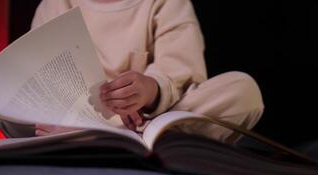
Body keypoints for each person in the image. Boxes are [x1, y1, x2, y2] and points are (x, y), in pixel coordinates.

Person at [31, 0, 264, 143]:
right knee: (9, 112)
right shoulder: (54, 5)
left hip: (153, 120)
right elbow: (43, 79)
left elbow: (183, 72)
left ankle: (108, 138)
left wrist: (150, 89)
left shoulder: (167, 2)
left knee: (243, 90)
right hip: (73, 120)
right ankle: (112, 138)